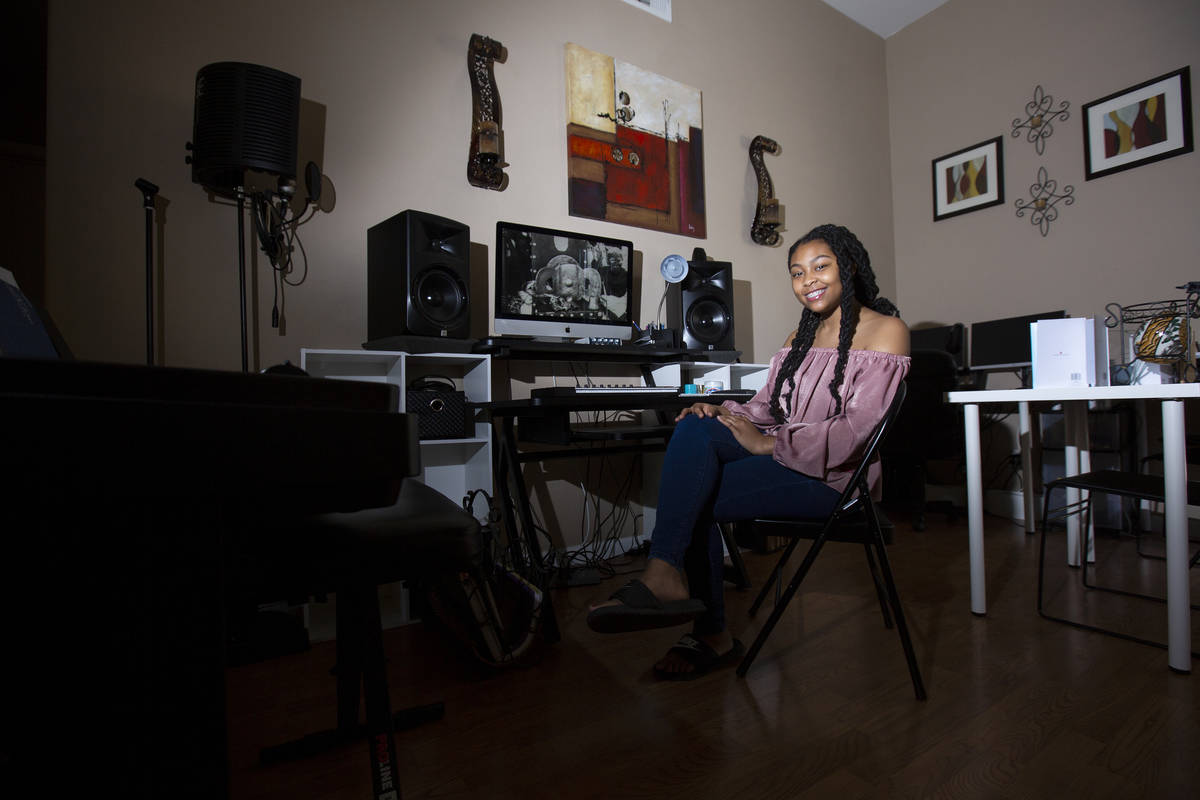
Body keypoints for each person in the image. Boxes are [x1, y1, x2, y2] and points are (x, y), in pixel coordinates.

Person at [586, 223, 910, 680]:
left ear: (849, 267)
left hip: (837, 479)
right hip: (788, 459)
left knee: (694, 495)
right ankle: (665, 576)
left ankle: (705, 626)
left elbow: (857, 431)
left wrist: (770, 443)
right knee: (697, 429)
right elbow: (763, 408)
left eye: (820, 266)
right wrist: (718, 409)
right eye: (797, 273)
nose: (808, 280)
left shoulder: (887, 331)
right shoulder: (797, 341)